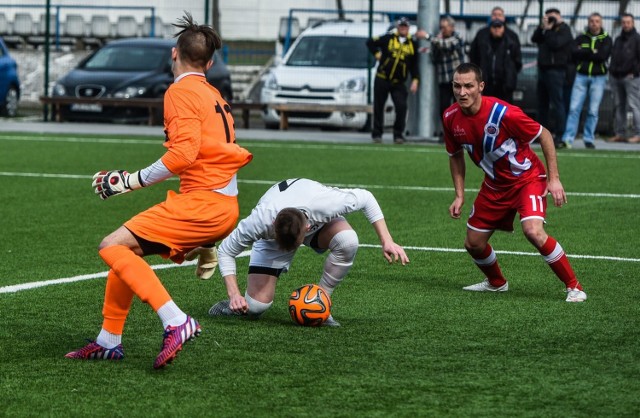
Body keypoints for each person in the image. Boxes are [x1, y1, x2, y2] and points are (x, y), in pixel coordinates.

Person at [65, 13, 253, 368]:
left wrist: (129, 180)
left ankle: (175, 320)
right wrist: (210, 238)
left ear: (173, 53)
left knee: (111, 246)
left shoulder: (181, 91)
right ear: (210, 63)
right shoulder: (214, 94)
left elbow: (182, 156)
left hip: (205, 204)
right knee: (126, 253)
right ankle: (109, 340)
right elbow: (214, 159)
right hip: (220, 203)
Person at [443, 63, 587, 303]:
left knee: (533, 231)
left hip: (527, 180)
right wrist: (459, 194)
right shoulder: (450, 117)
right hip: (494, 185)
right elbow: (455, 156)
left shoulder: (503, 113)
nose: (462, 92)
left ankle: (574, 287)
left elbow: (545, 134)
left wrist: (554, 179)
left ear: (481, 86)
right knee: (473, 244)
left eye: (468, 86)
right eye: (457, 86)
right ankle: (497, 283)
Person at [208, 178, 410, 326]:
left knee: (348, 241)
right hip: (274, 238)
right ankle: (231, 305)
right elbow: (225, 250)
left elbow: (367, 198)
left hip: (318, 220)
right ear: (272, 226)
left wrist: (387, 240)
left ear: (307, 228)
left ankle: (321, 304)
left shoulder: (325, 205)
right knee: (255, 307)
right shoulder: (259, 221)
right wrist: (234, 294)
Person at [366, 17, 426, 144]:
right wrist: (377, 55)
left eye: (405, 26)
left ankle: (398, 135)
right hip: (382, 78)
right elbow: (370, 42)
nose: (403, 28)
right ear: (398, 27)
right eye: (401, 26)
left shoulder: (412, 44)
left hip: (399, 82)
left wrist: (415, 80)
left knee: (401, 107)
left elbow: (415, 64)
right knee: (379, 106)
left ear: (408, 28)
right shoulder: (388, 38)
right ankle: (377, 134)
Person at [560, 13, 612, 149]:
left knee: (593, 111)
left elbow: (602, 56)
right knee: (573, 109)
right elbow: (573, 52)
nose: (594, 23)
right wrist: (591, 51)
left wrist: (584, 51)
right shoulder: (581, 37)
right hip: (581, 76)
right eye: (592, 21)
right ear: (588, 22)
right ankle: (568, 139)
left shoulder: (606, 39)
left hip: (598, 78)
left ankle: (588, 138)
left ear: (601, 23)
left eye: (597, 21)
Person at [531, 8, 574, 146]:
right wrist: (541, 26)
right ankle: (540, 134)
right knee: (541, 104)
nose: (551, 20)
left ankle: (559, 135)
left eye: (553, 17)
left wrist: (549, 29)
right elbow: (534, 39)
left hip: (557, 71)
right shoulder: (545, 30)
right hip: (543, 70)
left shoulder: (565, 30)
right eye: (548, 17)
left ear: (560, 17)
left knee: (557, 104)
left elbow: (555, 44)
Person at [469, 8, 522, 102]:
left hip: (505, 85)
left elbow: (517, 60)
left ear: (504, 18)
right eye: (494, 14)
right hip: (486, 83)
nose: (497, 17)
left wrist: (510, 74)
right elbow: (473, 56)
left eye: (499, 15)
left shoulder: (512, 36)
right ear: (491, 17)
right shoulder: (481, 34)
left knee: (505, 113)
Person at [430, 15, 466, 139]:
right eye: (441, 28)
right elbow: (434, 57)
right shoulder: (438, 40)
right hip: (444, 80)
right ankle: (447, 133)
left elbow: (448, 45)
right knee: (444, 108)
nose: (443, 30)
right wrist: (435, 43)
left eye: (445, 27)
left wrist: (428, 37)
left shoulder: (457, 37)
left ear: (451, 27)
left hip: (458, 81)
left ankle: (460, 133)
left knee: (460, 107)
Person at [608, 13, 640, 143]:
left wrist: (635, 72)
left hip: (631, 78)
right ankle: (620, 133)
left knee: (634, 106)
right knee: (619, 106)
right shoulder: (618, 39)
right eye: (624, 22)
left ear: (633, 23)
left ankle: (638, 134)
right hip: (616, 77)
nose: (626, 25)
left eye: (628, 22)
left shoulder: (637, 39)